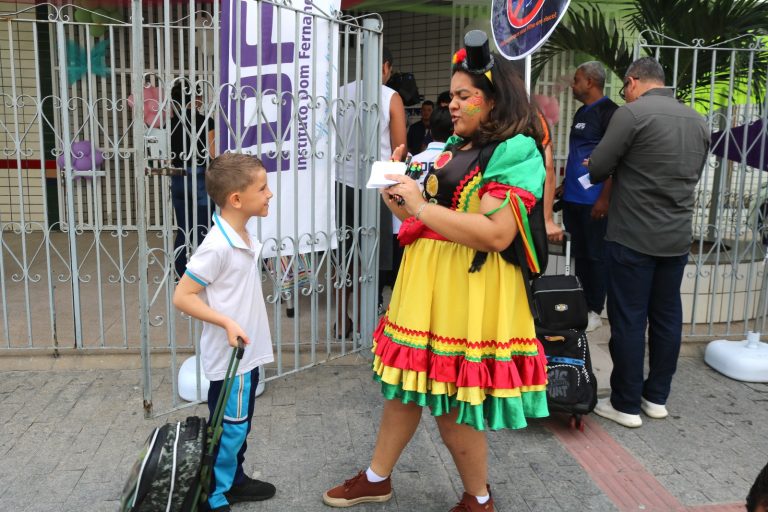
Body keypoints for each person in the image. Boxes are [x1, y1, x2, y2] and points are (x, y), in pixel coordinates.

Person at [322, 30, 549, 512]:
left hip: (469, 287)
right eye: (453, 95)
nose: (454, 103)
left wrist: (421, 208)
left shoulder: (517, 150)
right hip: (427, 282)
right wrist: (398, 196)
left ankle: (478, 498)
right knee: (405, 388)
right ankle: (376, 477)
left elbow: (494, 234)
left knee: (453, 399)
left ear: (494, 99)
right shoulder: (451, 145)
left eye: (465, 95)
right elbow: (422, 214)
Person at [587, 57, 709, 428]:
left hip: (632, 237)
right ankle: (656, 398)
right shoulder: (698, 120)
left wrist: (604, 162)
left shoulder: (632, 114)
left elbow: (596, 169)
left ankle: (624, 404)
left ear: (634, 81)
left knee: (628, 319)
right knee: (667, 317)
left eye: (625, 88)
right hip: (675, 238)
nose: (624, 94)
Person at [172, 153, 276, 512]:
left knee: (238, 424)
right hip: (231, 357)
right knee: (229, 428)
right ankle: (211, 495)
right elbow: (182, 296)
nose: (270, 194)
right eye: (262, 188)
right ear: (236, 199)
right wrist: (227, 323)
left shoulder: (240, 233)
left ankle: (234, 479)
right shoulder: (217, 245)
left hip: (246, 354)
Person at [336, 46, 407, 330]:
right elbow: (399, 150)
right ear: (386, 67)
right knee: (374, 253)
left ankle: (342, 319)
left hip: (341, 182)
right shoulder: (390, 97)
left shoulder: (341, 93)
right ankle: (369, 322)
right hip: (377, 185)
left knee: (343, 253)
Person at [560, 61, 618, 332]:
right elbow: (578, 154)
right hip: (573, 197)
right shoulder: (582, 111)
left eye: (577, 79)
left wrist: (604, 198)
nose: (573, 84)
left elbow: (615, 158)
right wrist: (563, 184)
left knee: (596, 256)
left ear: (590, 83)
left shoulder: (610, 113)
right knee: (580, 255)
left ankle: (595, 308)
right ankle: (581, 303)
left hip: (594, 201)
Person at [169, 82, 215, 280]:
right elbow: (212, 152)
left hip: (177, 177)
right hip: (199, 178)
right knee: (203, 228)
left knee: (183, 229)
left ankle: (180, 274)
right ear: (195, 99)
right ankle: (201, 275)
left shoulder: (169, 124)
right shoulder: (206, 121)